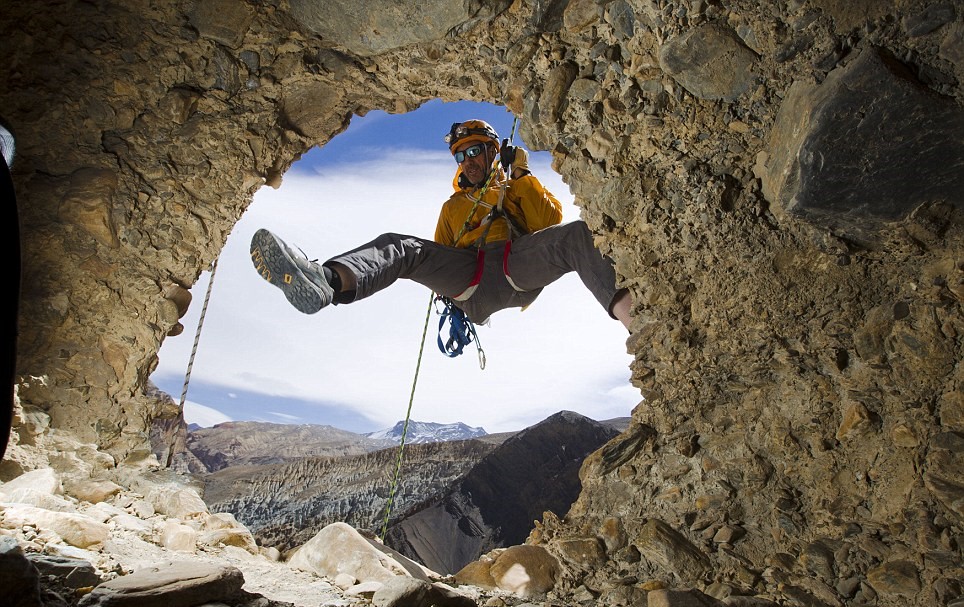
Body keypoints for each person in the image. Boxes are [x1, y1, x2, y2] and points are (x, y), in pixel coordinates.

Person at [250, 119, 631, 333]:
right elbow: (439, 253)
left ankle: (638, 324)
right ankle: (327, 282)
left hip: (515, 269)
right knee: (402, 248)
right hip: (470, 285)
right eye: (460, 156)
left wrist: (521, 173)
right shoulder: (452, 208)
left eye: (473, 151)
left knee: (578, 235)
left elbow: (549, 222)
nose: (466, 161)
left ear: (491, 152)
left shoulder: (513, 187)